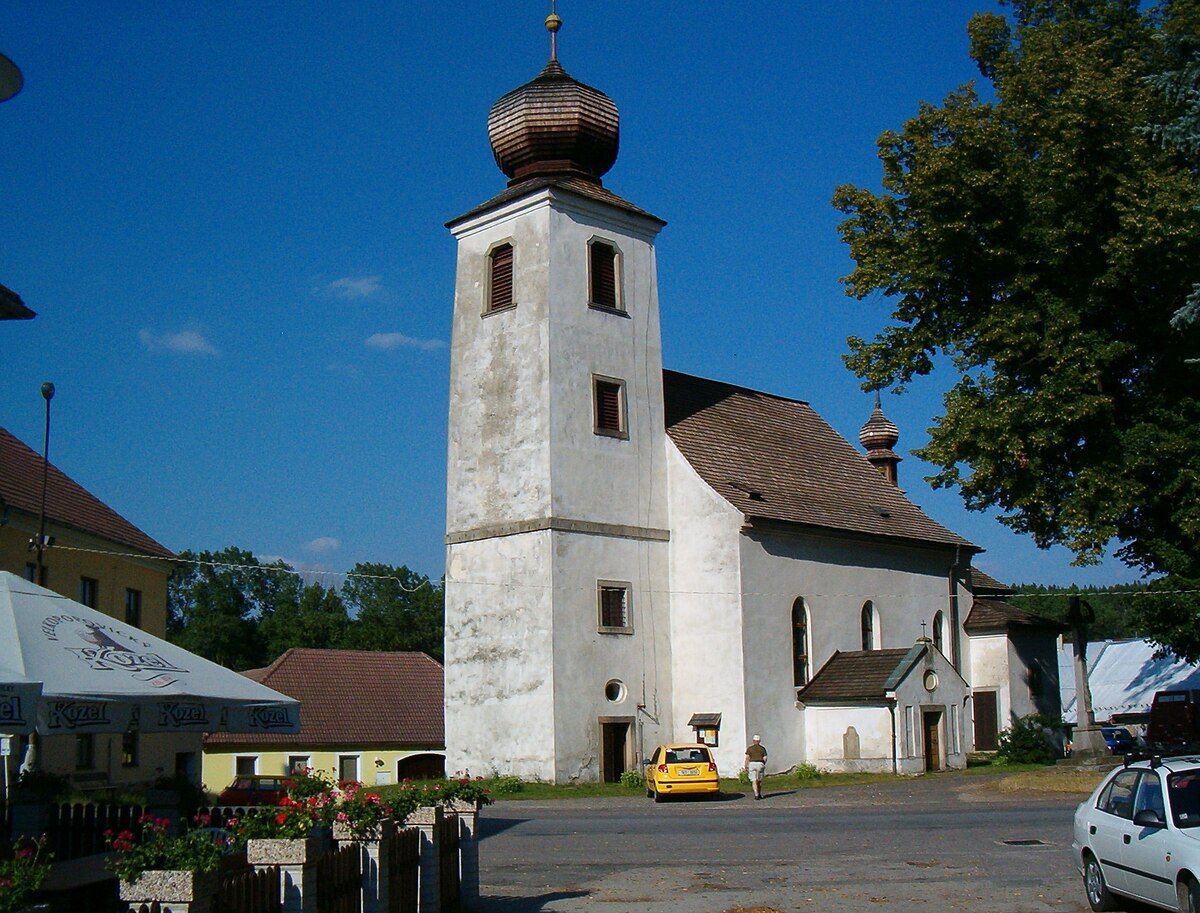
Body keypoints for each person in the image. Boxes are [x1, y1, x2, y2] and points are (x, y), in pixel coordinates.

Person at [745, 734, 767, 800]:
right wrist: (763, 764)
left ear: (753, 741)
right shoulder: (762, 749)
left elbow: (747, 758)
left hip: (752, 764)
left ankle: (756, 794)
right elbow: (765, 758)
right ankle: (759, 793)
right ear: (759, 741)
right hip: (760, 763)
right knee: (759, 780)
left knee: (754, 780)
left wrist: (746, 765)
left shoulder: (750, 748)